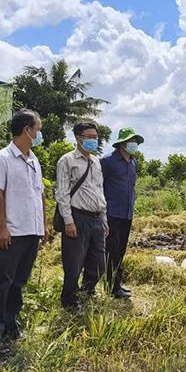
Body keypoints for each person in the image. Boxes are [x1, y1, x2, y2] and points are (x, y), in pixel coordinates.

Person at [0, 109, 49, 360]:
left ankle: (11, 326)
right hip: (11, 232)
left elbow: (39, 194)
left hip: (31, 231)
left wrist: (42, 226)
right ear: (27, 130)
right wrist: (1, 227)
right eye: (38, 129)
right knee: (3, 283)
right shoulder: (2, 159)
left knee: (18, 282)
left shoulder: (33, 160)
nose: (39, 134)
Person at [56, 122, 108, 311]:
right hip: (77, 217)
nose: (93, 140)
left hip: (97, 217)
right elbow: (62, 193)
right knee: (74, 262)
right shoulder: (67, 160)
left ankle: (87, 291)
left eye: (95, 137)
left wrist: (104, 219)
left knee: (99, 262)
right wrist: (68, 221)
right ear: (78, 138)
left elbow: (99, 190)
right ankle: (69, 300)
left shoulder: (96, 162)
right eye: (89, 137)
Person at [101, 127, 143, 299]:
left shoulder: (133, 163)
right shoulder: (108, 161)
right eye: (131, 141)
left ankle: (116, 283)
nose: (134, 144)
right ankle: (111, 287)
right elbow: (99, 186)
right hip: (111, 213)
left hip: (126, 213)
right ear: (122, 143)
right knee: (111, 251)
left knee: (121, 250)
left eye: (135, 141)